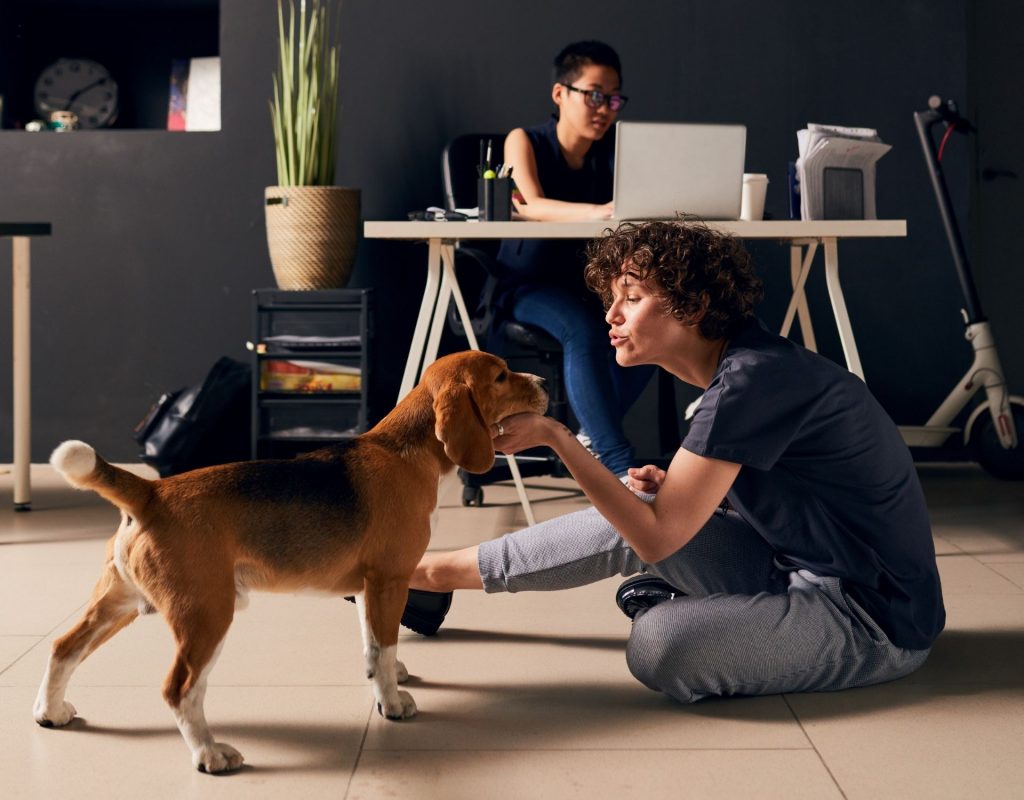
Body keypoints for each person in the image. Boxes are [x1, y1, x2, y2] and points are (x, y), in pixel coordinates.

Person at [408, 220, 945, 704]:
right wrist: (680, 485)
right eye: (612, 299)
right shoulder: (749, 371)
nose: (611, 316)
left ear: (694, 306)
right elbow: (800, 491)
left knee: (658, 646)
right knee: (642, 501)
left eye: (633, 298)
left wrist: (557, 437)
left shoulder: (749, 383)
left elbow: (657, 539)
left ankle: (684, 610)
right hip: (796, 566)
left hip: (870, 616)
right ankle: (422, 576)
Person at [493, 40, 654, 477]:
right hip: (525, 284)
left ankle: (590, 432)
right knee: (582, 330)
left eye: (614, 98)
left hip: (588, 286)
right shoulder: (524, 141)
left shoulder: (611, 154)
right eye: (594, 94)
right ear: (560, 93)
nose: (605, 108)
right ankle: (617, 464)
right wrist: (602, 212)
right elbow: (531, 204)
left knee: (657, 322)